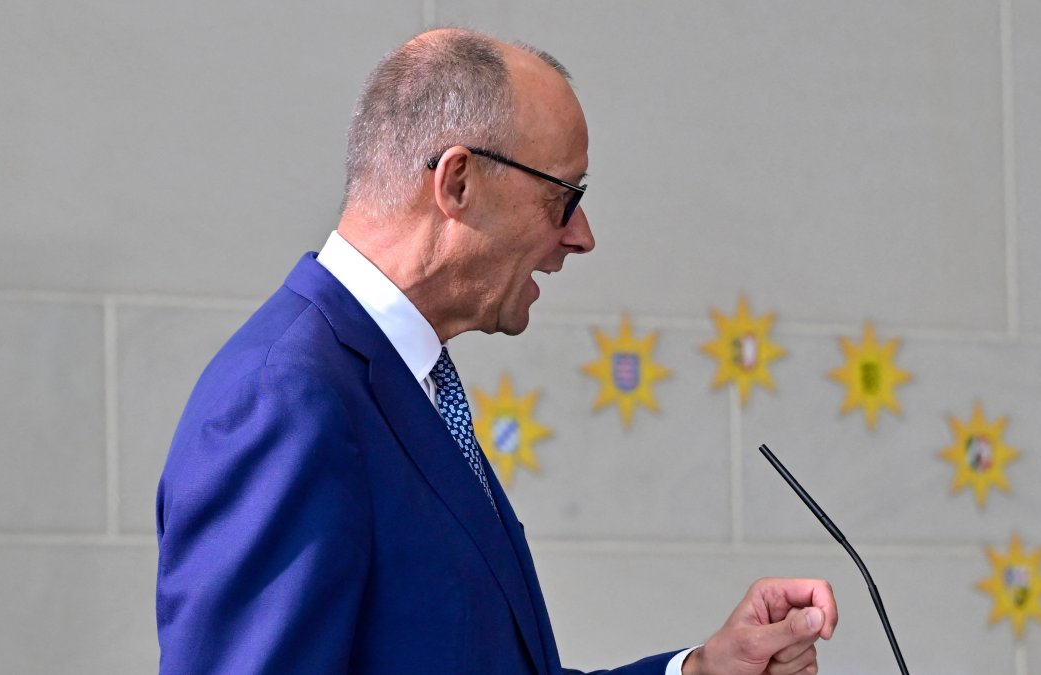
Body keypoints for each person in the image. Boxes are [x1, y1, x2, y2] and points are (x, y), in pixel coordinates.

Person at [155, 28, 837, 675]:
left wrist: (703, 668)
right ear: (458, 183)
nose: (581, 236)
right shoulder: (285, 399)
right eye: (563, 197)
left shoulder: (404, 386)